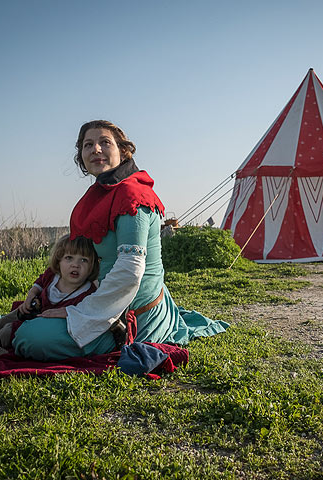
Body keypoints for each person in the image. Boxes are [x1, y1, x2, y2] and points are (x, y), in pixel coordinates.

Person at [12, 120, 228, 361]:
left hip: (130, 313)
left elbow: (129, 271)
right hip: (93, 298)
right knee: (20, 321)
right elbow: (72, 252)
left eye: (104, 142)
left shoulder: (133, 195)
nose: (95, 149)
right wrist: (39, 287)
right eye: (88, 145)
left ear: (123, 151)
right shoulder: (97, 196)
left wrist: (77, 312)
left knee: (28, 338)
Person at [0, 234, 99, 348]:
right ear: (59, 261)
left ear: (92, 266)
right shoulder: (53, 275)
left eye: (84, 260)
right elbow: (39, 284)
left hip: (43, 325)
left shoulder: (88, 293)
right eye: (69, 258)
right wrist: (31, 295)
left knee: (6, 333)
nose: (76, 265)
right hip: (32, 309)